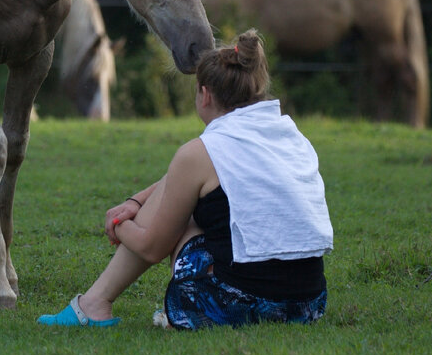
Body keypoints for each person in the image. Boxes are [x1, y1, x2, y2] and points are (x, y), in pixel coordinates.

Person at [38, 30, 333, 329]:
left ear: (205, 95)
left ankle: (93, 304)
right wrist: (135, 202)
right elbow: (188, 179)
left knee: (186, 220)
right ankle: (93, 303)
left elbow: (152, 246)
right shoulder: (289, 136)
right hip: (307, 305)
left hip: (236, 306)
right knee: (193, 197)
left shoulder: (198, 154)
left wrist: (118, 225)